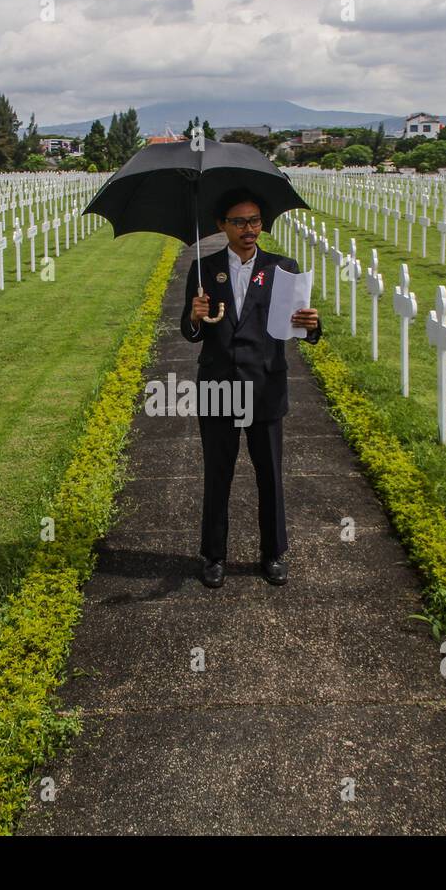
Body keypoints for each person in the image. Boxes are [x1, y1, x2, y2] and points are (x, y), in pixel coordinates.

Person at [180, 188, 321, 589]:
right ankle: (213, 555)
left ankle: (273, 553)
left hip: (265, 385)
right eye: (239, 221)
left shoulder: (282, 268)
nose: (249, 229)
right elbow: (190, 333)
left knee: (270, 474)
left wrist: (312, 326)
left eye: (255, 220)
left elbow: (298, 327)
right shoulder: (204, 270)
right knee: (217, 474)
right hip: (218, 386)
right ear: (222, 225)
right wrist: (195, 316)